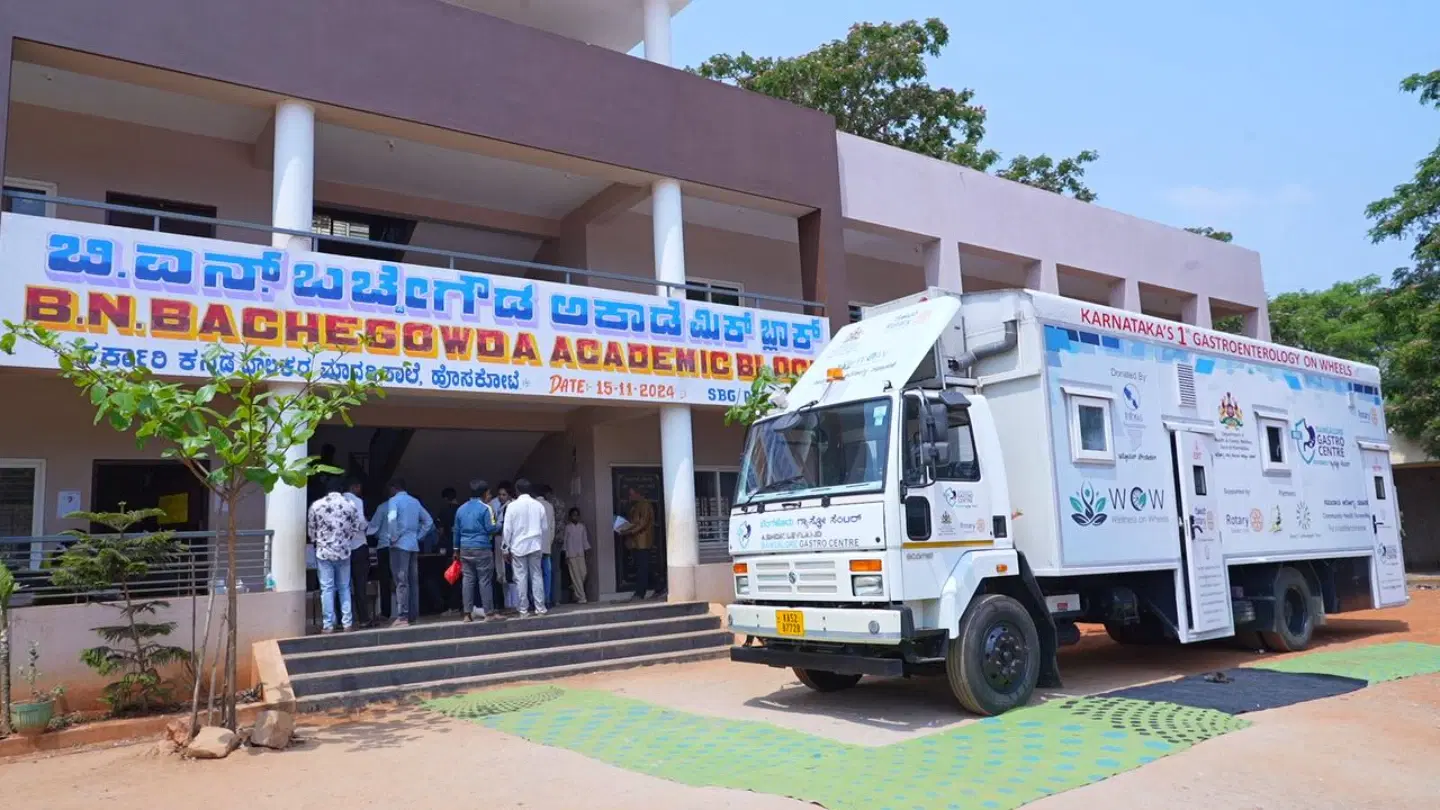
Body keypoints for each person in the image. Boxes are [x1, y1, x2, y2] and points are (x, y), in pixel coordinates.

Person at [370, 479, 434, 627]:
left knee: (401, 580)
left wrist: (393, 537)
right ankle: (413, 615)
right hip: (413, 545)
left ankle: (403, 616)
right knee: (413, 580)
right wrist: (418, 536)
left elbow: (392, 519)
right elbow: (428, 521)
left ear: (394, 488)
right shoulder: (415, 502)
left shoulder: (394, 501)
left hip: (399, 545)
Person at [308, 479, 365, 633]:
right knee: (344, 587)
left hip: (324, 552)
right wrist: (345, 541)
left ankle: (328, 624)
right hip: (344, 552)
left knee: (327, 588)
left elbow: (311, 532)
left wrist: (319, 541)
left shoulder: (316, 505)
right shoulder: (350, 505)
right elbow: (356, 527)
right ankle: (347, 623)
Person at [453, 479, 500, 622]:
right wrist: (501, 525)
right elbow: (491, 528)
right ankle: (489, 613)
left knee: (468, 580)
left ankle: (467, 614)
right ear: (484, 493)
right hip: (482, 548)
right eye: (489, 493)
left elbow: (456, 531)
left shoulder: (460, 509)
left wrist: (456, 550)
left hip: (465, 548)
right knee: (484, 580)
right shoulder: (486, 508)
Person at [501, 478, 548, 617]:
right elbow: (544, 528)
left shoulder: (512, 506)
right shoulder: (539, 505)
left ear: (517, 491)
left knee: (520, 578)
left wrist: (505, 548)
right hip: (535, 545)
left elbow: (507, 529)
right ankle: (540, 608)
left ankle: (523, 609)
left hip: (518, 546)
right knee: (537, 576)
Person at [343, 478, 374, 627]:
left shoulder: (336, 502)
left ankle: (344, 620)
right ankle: (363, 619)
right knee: (360, 585)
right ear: (355, 486)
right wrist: (367, 524)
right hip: (359, 546)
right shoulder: (356, 501)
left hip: (342, 549)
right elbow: (361, 523)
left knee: (342, 585)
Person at [617, 485, 656, 601]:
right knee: (642, 567)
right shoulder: (635, 506)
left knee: (642, 568)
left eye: (631, 494)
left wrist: (628, 531)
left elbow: (642, 523)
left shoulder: (645, 505)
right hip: (636, 542)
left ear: (638, 494)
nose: (630, 497)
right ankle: (659, 586)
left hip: (643, 542)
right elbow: (633, 522)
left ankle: (640, 593)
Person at [491, 482, 514, 612]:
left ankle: (512, 603)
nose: (501, 497)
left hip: (510, 540)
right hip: (498, 539)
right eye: (499, 494)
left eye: (504, 494)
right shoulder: (494, 504)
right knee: (500, 572)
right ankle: (502, 603)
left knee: (510, 572)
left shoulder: (512, 505)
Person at [562, 507, 590, 604]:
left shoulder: (582, 526)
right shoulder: (568, 527)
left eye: (577, 515)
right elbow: (565, 542)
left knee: (583, 573)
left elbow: (585, 540)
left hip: (580, 553)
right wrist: (566, 555)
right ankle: (582, 597)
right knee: (576, 576)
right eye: (573, 515)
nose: (575, 517)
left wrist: (587, 552)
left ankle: (574, 587)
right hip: (571, 554)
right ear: (570, 516)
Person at [538, 485, 558, 608]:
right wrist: (549, 543)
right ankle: (547, 599)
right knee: (547, 573)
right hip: (546, 546)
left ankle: (536, 600)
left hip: (534, 547)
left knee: (535, 574)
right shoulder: (550, 506)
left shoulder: (533, 505)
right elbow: (552, 528)